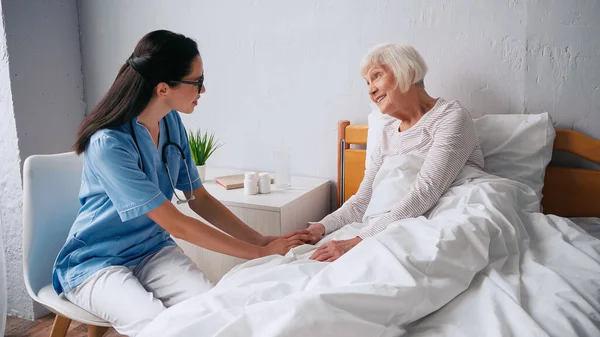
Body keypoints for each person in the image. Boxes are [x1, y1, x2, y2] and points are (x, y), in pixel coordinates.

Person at [52, 30, 310, 336]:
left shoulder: (171, 122)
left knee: (213, 311)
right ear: (163, 88)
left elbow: (198, 198)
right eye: (197, 81)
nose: (203, 89)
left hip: (151, 250)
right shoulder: (109, 143)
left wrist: (261, 240)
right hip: (96, 261)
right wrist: (258, 254)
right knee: (158, 325)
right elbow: (177, 224)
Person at [303, 43, 484, 262]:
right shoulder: (388, 134)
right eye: (368, 83)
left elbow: (425, 192)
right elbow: (362, 202)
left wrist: (360, 241)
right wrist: (321, 227)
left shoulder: (450, 117)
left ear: (405, 70)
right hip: (384, 224)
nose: (370, 90)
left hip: (435, 221)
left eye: (377, 76)